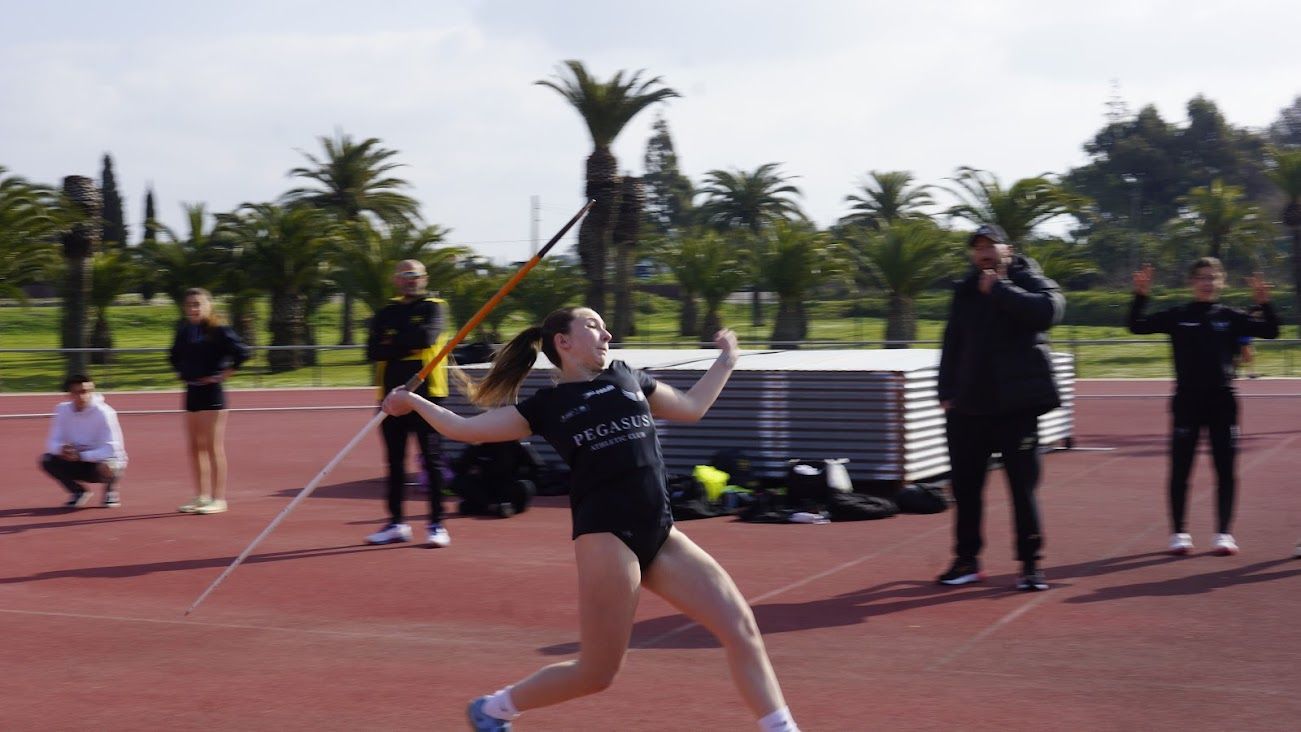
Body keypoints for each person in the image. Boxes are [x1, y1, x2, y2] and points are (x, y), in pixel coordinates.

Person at [381, 308, 800, 732]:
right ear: (563, 342)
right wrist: (411, 401)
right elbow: (465, 429)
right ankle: (493, 709)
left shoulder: (626, 376)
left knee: (742, 629)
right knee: (596, 674)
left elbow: (691, 407)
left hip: (661, 530)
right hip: (607, 536)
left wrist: (726, 359)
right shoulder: (546, 406)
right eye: (594, 326)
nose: (608, 333)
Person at [936, 223, 1065, 592]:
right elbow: (952, 344)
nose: (984, 252)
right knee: (966, 490)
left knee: (1022, 490)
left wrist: (1001, 289)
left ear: (1008, 249)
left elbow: (1048, 313)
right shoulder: (964, 291)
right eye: (978, 247)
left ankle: (1029, 565)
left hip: (1016, 408)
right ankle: (966, 560)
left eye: (991, 245)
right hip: (968, 409)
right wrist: (945, 391)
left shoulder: (1031, 281)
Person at [1127, 258, 1279, 556]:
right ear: (1191, 282)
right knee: (1181, 468)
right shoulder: (1178, 315)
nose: (1207, 283)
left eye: (1213, 278)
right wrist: (1140, 296)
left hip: (1222, 401)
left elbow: (1271, 331)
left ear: (1221, 282)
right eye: (1202, 277)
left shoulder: (1230, 316)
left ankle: (1223, 533)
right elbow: (1136, 326)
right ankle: (1179, 533)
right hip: (1187, 401)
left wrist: (1265, 303)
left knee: (1225, 469)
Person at [365, 259, 452, 547]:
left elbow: (426, 338)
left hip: (427, 395)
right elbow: (373, 350)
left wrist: (393, 343)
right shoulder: (386, 312)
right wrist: (404, 344)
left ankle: (437, 524)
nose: (409, 280)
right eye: (404, 276)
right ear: (395, 280)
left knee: (431, 458)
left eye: (414, 275)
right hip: (389, 396)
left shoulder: (434, 306)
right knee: (394, 461)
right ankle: (396, 523)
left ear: (424, 278)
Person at [169, 287, 250, 515]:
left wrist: (226, 372)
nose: (194, 308)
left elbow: (242, 352)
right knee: (194, 447)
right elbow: (173, 355)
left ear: (208, 306)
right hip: (191, 392)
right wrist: (181, 371)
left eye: (198, 304)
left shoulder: (219, 329)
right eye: (190, 305)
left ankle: (219, 498)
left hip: (212, 392)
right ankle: (201, 496)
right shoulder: (184, 330)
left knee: (212, 446)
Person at [40, 374, 127, 508]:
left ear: (92, 391)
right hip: (76, 460)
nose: (82, 396)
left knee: (109, 464)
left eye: (85, 392)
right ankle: (78, 492)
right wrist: (61, 449)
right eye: (76, 392)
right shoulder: (62, 410)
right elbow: (52, 442)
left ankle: (110, 490)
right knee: (46, 460)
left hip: (100, 463)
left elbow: (111, 449)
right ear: (69, 394)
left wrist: (82, 455)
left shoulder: (105, 413)